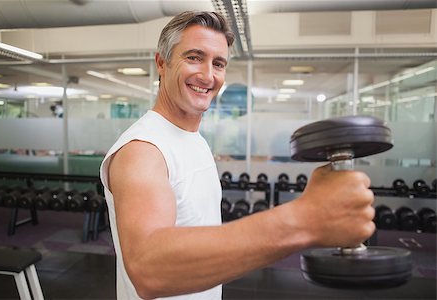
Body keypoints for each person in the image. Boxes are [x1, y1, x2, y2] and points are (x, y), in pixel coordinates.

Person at [100, 11, 375, 300]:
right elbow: (148, 268)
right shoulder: (142, 149)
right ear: (161, 63)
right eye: (194, 57)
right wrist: (306, 219)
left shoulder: (194, 140)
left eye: (218, 63)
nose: (208, 75)